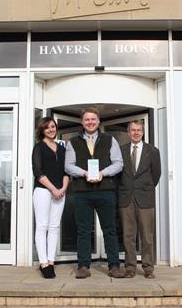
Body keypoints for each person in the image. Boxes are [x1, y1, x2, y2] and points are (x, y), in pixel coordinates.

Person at [65, 107, 126, 279]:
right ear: (82, 122)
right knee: (83, 230)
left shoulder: (110, 140)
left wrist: (102, 173)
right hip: (82, 192)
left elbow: (118, 163)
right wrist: (83, 173)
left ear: (98, 121)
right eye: (87, 119)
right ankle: (83, 266)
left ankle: (114, 266)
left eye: (93, 119)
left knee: (110, 230)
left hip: (106, 190)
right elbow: (68, 165)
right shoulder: (72, 141)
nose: (90, 122)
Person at [118, 120, 161, 279]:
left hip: (145, 198)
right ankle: (130, 268)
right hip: (126, 198)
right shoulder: (121, 151)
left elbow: (156, 174)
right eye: (133, 130)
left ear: (143, 132)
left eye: (139, 130)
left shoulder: (153, 151)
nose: (136, 133)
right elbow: (117, 175)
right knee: (128, 236)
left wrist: (145, 188)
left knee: (147, 236)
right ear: (128, 133)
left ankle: (148, 268)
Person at [32, 117, 69, 279]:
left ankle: (51, 261)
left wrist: (63, 188)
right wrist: (53, 189)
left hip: (60, 191)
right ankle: (43, 263)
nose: (51, 130)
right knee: (42, 226)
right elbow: (38, 171)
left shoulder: (62, 148)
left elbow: (66, 171)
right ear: (42, 130)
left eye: (53, 127)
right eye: (47, 128)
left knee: (54, 227)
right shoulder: (38, 147)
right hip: (43, 190)